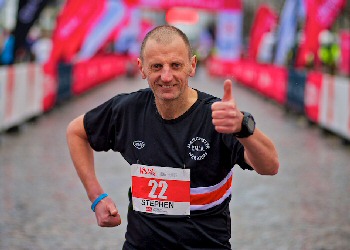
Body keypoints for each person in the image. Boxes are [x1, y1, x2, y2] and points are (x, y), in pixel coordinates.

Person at [66, 25, 279, 249]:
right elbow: (76, 132)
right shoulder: (127, 110)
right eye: (157, 66)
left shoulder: (217, 116)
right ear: (141, 68)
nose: (166, 77)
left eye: (176, 65)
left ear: (192, 66)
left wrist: (243, 127)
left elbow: (270, 165)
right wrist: (96, 198)